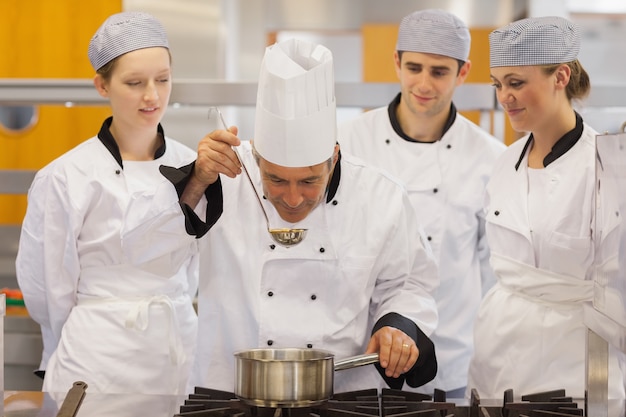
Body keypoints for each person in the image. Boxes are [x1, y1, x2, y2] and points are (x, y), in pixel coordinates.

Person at [120, 38, 440, 393]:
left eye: (308, 180)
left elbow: (410, 283)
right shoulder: (222, 178)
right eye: (274, 179)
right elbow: (140, 253)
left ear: (334, 158)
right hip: (233, 389)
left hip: (341, 393)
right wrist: (194, 181)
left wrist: (397, 324)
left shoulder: (381, 196)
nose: (291, 198)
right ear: (255, 156)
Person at [15, 11, 200, 395]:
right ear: (102, 85)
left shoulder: (192, 168)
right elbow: (47, 284)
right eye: (134, 83)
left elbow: (196, 270)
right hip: (96, 356)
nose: (152, 95)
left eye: (163, 80)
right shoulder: (66, 176)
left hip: (179, 350)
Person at [338, 9, 505, 397]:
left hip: (451, 358)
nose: (424, 83)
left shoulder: (489, 158)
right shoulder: (347, 143)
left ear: (463, 73)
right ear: (396, 63)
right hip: (360, 357)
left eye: (439, 71)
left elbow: (492, 275)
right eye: (414, 67)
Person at [467, 15, 626, 400]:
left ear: (561, 77)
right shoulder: (502, 163)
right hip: (497, 353)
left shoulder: (607, 166)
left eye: (517, 83)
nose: (504, 97)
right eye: (498, 84)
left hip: (578, 364)